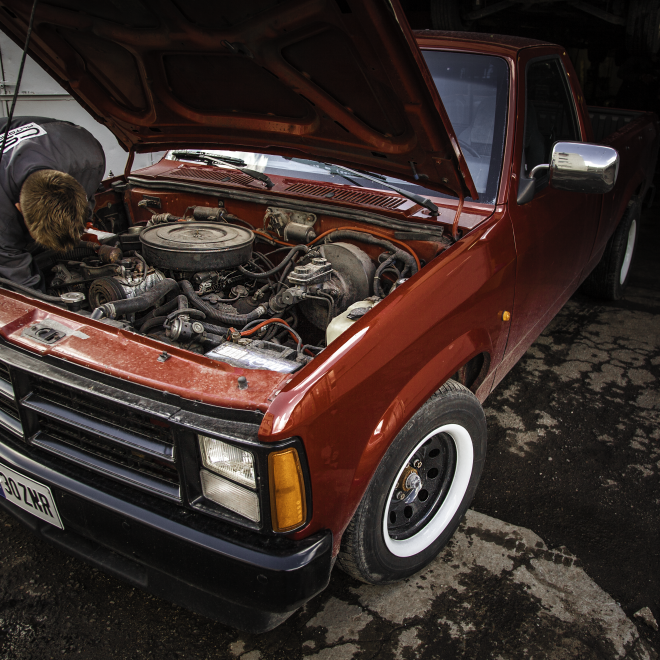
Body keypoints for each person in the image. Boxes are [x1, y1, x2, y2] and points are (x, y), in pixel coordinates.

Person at [0, 116, 105, 288]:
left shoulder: (91, 160)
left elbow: (89, 193)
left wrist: (86, 223)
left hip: (60, 136)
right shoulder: (3, 219)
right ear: (19, 208)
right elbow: (19, 277)